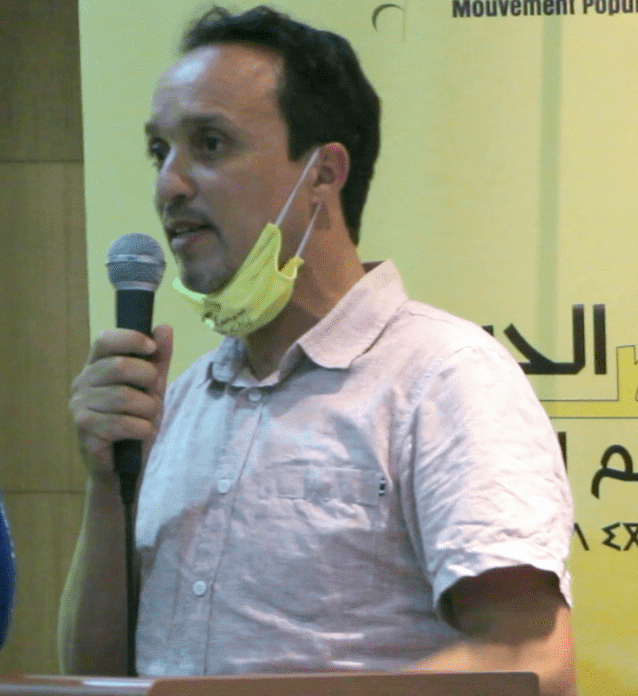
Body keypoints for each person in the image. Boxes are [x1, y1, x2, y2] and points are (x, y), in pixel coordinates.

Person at [59, 6, 576, 695]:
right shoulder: (177, 404)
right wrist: (106, 484)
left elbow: (531, 660)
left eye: (209, 144)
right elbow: (97, 679)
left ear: (323, 175)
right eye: (160, 152)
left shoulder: (444, 377)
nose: (169, 185)